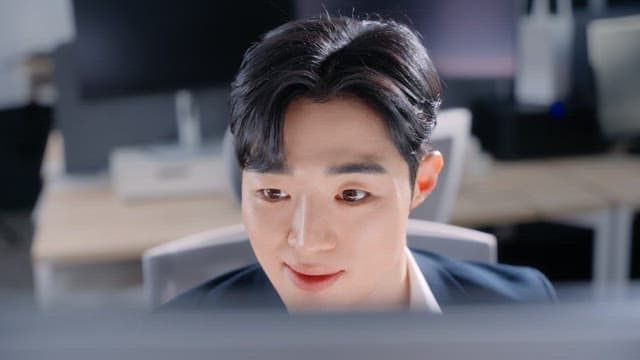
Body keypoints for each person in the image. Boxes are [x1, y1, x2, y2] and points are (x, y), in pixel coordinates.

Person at [166, 15, 556, 313]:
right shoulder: (177, 339)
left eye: (351, 194)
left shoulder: (524, 308)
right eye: (273, 192)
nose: (307, 242)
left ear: (421, 182)